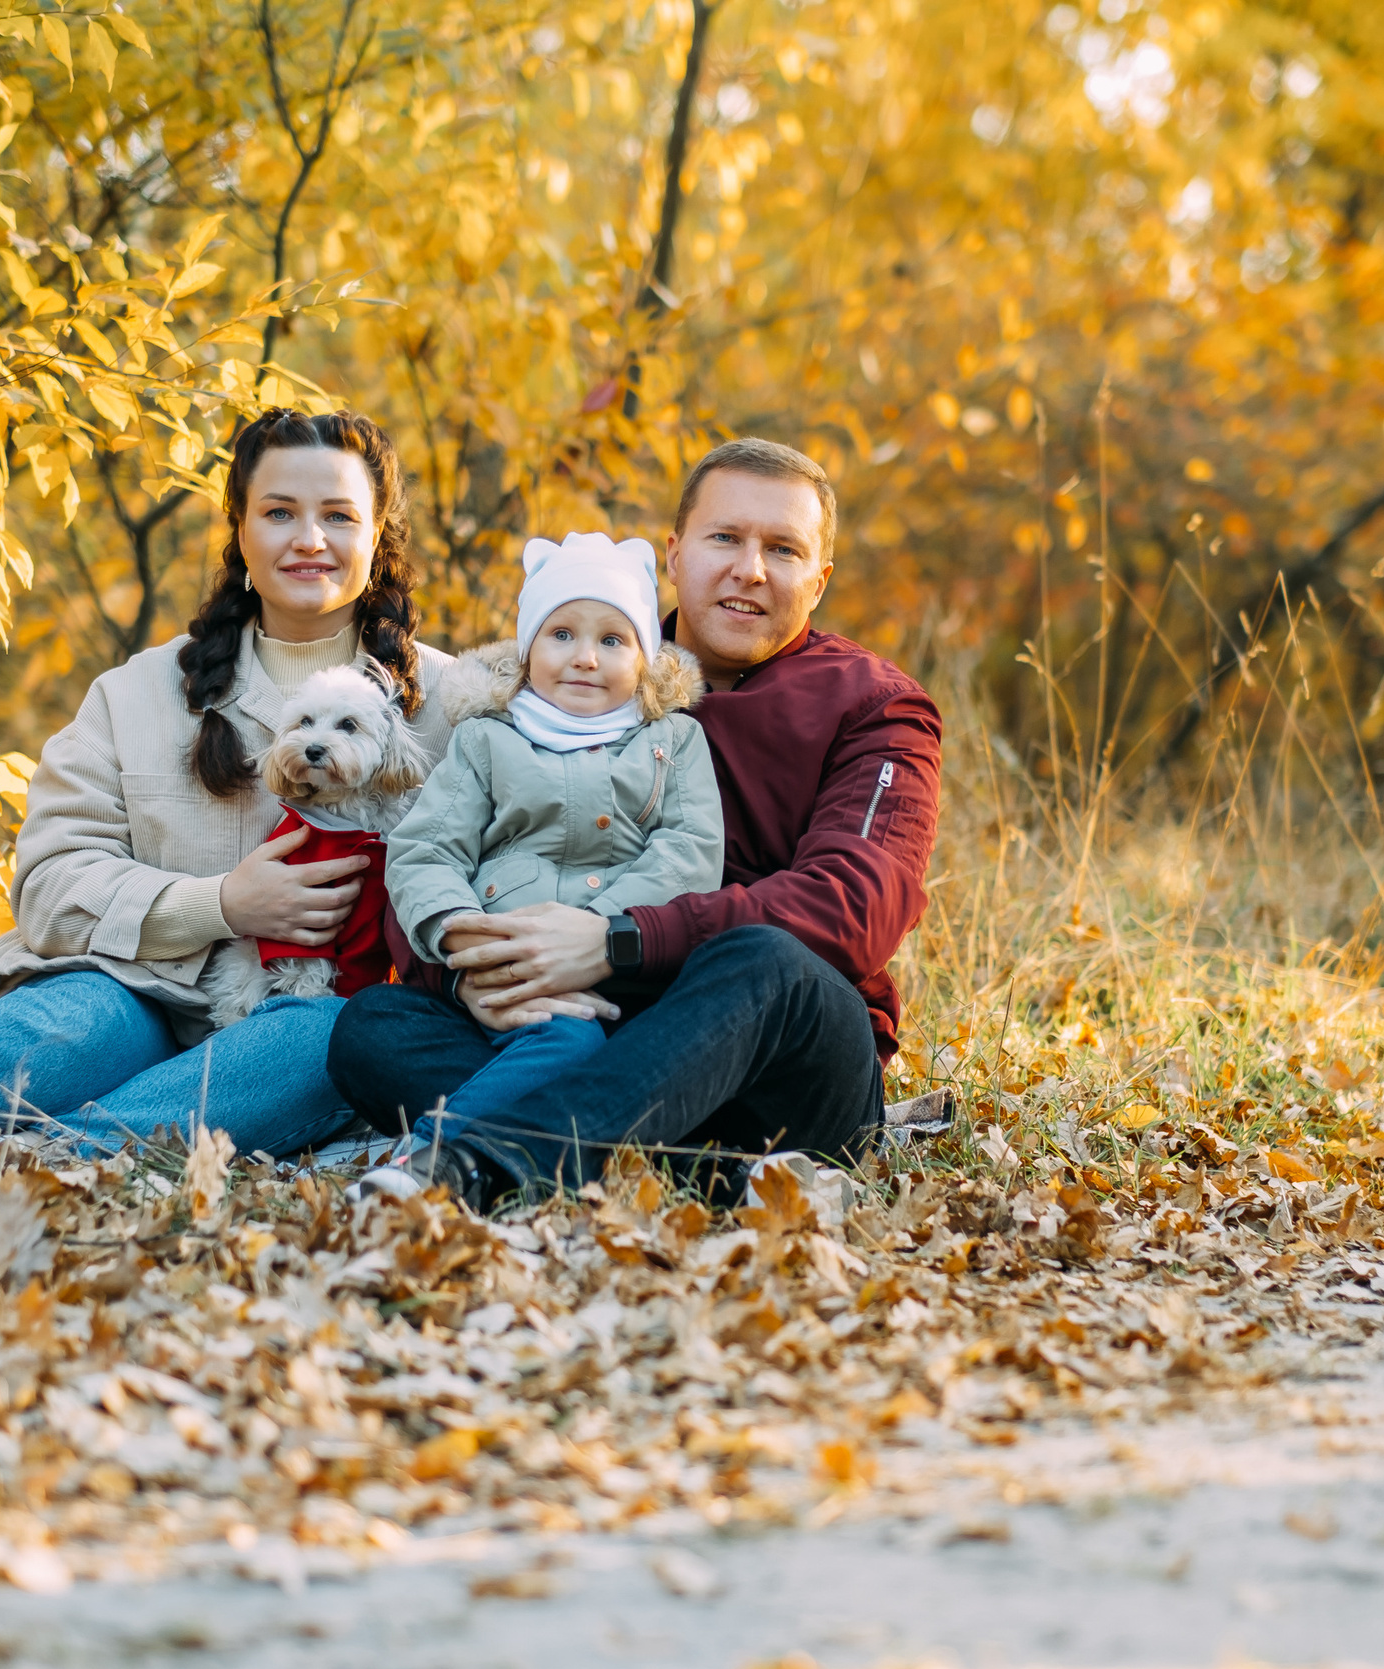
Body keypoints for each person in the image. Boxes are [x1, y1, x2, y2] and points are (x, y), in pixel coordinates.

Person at [0, 408, 453, 1158]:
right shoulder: (136, 693)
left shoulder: (451, 706)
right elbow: (49, 884)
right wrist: (220, 903)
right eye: (278, 513)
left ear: (377, 536)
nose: (308, 538)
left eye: (338, 515)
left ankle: (23, 1158)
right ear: (240, 531)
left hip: (303, 1026)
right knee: (80, 1018)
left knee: (336, 1035)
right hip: (138, 997)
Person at [328, 438, 942, 1204]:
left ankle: (483, 1165)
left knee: (765, 959)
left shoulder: (874, 705)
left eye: (782, 549)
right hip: (582, 1025)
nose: (749, 568)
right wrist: (475, 981)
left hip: (780, 1062)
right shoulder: (572, 664)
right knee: (374, 1024)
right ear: (675, 556)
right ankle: (704, 1174)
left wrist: (615, 942)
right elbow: (442, 852)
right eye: (726, 538)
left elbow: (855, 908)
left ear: (817, 581)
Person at [362, 531, 724, 1190]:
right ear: (528, 648)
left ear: (644, 658)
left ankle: (429, 1154)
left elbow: (690, 850)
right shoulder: (487, 737)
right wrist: (463, 934)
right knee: (370, 1025)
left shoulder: (673, 739)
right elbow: (427, 847)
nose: (585, 657)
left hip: (618, 978)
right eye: (561, 634)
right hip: (497, 978)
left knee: (573, 1039)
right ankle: (572, 1127)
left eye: (613, 640)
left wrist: (591, 929)